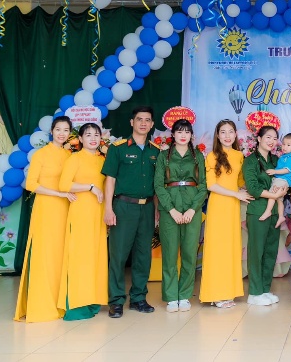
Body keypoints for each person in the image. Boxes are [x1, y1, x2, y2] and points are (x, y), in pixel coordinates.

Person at [102, 106, 161, 318]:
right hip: (123, 207)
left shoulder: (156, 151)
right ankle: (116, 301)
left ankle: (138, 298)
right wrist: (108, 208)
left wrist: (157, 210)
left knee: (143, 255)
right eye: (139, 119)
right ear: (132, 122)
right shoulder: (117, 149)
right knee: (118, 255)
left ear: (152, 124)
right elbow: (110, 180)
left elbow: (157, 184)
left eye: (147, 120)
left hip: (147, 208)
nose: (143, 123)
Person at [14, 115, 72, 322]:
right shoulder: (41, 154)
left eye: (66, 130)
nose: (62, 133)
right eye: (58, 129)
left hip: (66, 209)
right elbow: (31, 184)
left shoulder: (69, 155)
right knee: (44, 254)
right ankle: (41, 305)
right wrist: (58, 194)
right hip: (46, 208)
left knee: (61, 255)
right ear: (51, 131)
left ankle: (60, 303)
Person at [154, 119, 207, 313]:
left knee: (189, 253)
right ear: (173, 135)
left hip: (193, 207)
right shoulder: (163, 156)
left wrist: (193, 209)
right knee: (169, 254)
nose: (183, 135)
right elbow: (158, 185)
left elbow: (203, 185)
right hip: (170, 208)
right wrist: (172, 210)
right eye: (179, 131)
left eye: (187, 132)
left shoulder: (198, 156)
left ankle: (184, 295)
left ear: (191, 135)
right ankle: (170, 297)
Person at [200, 119, 254, 308]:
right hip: (218, 205)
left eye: (231, 131)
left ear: (235, 134)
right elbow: (211, 185)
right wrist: (236, 194)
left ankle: (228, 292)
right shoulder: (212, 156)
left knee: (231, 248)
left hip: (233, 206)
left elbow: (241, 182)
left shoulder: (239, 155)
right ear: (217, 135)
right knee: (217, 249)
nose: (227, 136)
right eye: (223, 132)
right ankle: (215, 294)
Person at [57, 123, 107, 320]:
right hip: (81, 213)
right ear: (80, 139)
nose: (93, 138)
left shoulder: (102, 160)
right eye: (88, 135)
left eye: (96, 135)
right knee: (80, 257)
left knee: (96, 256)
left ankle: (92, 299)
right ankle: (76, 303)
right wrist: (90, 187)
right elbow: (63, 185)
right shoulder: (74, 158)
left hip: (99, 214)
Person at [243, 125, 288, 306]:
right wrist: (274, 196)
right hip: (258, 211)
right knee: (257, 252)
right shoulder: (250, 161)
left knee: (270, 251)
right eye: (268, 137)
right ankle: (254, 293)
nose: (271, 141)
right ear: (259, 139)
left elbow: (286, 180)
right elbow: (253, 188)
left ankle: (264, 289)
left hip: (275, 212)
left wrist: (282, 192)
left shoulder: (276, 160)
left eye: (275, 138)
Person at [261, 132, 291, 227]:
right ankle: (281, 216)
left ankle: (268, 211)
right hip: (280, 179)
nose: (285, 147)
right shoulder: (284, 156)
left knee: (272, 194)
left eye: (288, 145)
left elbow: (287, 170)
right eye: (283, 144)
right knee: (279, 199)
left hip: (283, 179)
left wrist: (274, 171)